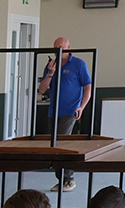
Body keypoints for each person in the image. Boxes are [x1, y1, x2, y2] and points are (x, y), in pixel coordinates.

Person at [37, 37, 92, 192]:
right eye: (55, 47)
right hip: (53, 110)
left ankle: (69, 178)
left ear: (68, 47)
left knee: (62, 142)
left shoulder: (78, 64)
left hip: (71, 109)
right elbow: (42, 89)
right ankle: (62, 179)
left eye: (61, 47)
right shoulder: (51, 65)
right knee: (54, 145)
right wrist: (50, 73)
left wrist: (82, 107)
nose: (58, 50)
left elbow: (88, 87)